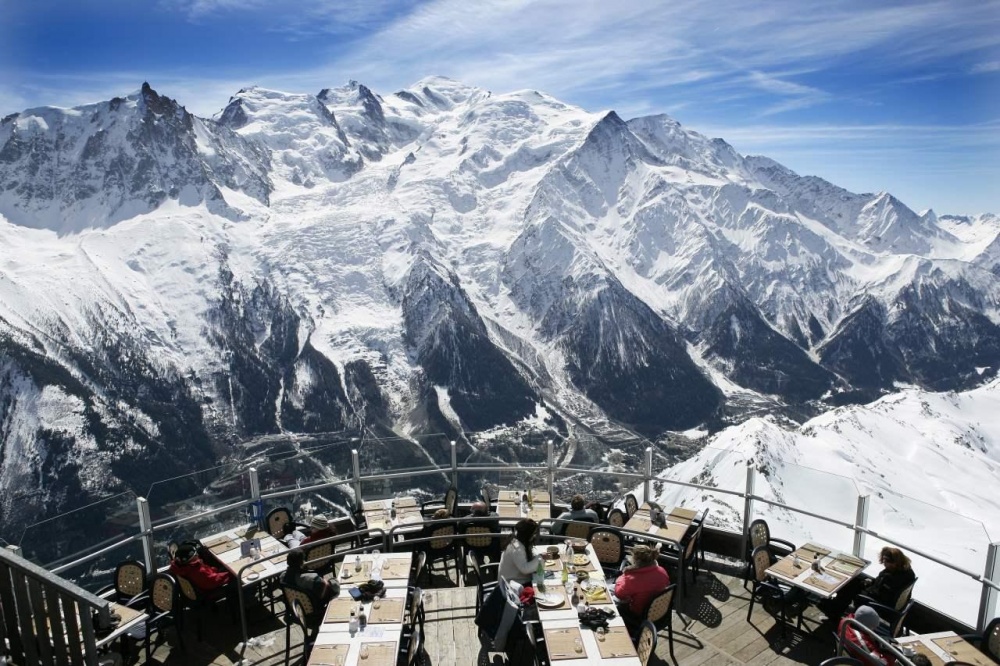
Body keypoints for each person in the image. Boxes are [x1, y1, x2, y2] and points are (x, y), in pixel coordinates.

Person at [613, 544, 671, 627]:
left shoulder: (632, 578)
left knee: (611, 598)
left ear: (636, 561)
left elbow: (619, 594)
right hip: (660, 612)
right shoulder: (662, 571)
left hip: (639, 615)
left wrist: (624, 575)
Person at [499, 518, 548, 585]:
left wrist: (536, 557)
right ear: (527, 535)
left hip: (514, 580)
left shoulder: (516, 539)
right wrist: (540, 558)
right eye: (533, 534)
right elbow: (525, 569)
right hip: (511, 585)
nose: (535, 536)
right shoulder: (517, 548)